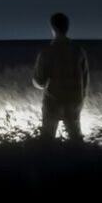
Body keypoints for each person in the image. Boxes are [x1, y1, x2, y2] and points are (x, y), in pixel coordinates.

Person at [32, 11, 89, 143]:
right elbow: (85, 79)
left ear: (52, 28)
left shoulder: (47, 51)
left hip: (53, 101)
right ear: (67, 27)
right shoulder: (78, 50)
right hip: (74, 101)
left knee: (47, 139)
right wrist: (81, 98)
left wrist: (34, 81)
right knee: (76, 138)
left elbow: (40, 81)